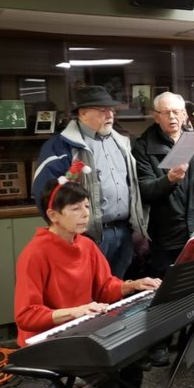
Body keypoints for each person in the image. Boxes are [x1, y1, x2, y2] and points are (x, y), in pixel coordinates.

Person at [14, 169, 163, 388]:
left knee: (132, 357)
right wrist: (75, 310)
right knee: (106, 374)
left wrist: (135, 284)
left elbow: (106, 285)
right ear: (53, 215)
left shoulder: (86, 245)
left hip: (80, 328)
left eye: (87, 207)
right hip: (44, 339)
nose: (85, 214)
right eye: (75, 209)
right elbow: (26, 315)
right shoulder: (35, 253)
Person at [133, 91, 194, 366]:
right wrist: (169, 180)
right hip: (166, 231)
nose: (173, 117)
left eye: (177, 112)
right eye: (166, 113)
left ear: (185, 114)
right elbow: (144, 190)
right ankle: (158, 343)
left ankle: (190, 340)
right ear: (155, 116)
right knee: (163, 291)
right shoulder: (144, 147)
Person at [32, 85, 148, 279]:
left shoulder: (121, 142)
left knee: (117, 290)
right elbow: (46, 196)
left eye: (111, 110)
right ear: (83, 113)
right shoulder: (61, 146)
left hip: (124, 232)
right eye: (102, 110)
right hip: (88, 236)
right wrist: (68, 235)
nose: (110, 114)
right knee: (87, 292)